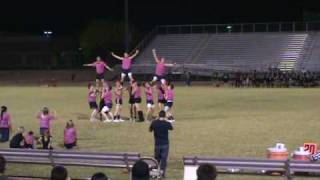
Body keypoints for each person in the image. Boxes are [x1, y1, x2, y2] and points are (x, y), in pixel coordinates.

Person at [149, 110, 173, 178]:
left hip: (157, 144)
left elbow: (150, 130)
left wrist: (155, 121)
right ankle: (162, 173)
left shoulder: (154, 123)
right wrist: (166, 120)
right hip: (165, 144)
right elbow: (171, 128)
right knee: (164, 160)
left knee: (156, 159)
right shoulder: (166, 123)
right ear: (164, 116)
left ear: (158, 115)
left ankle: (154, 173)